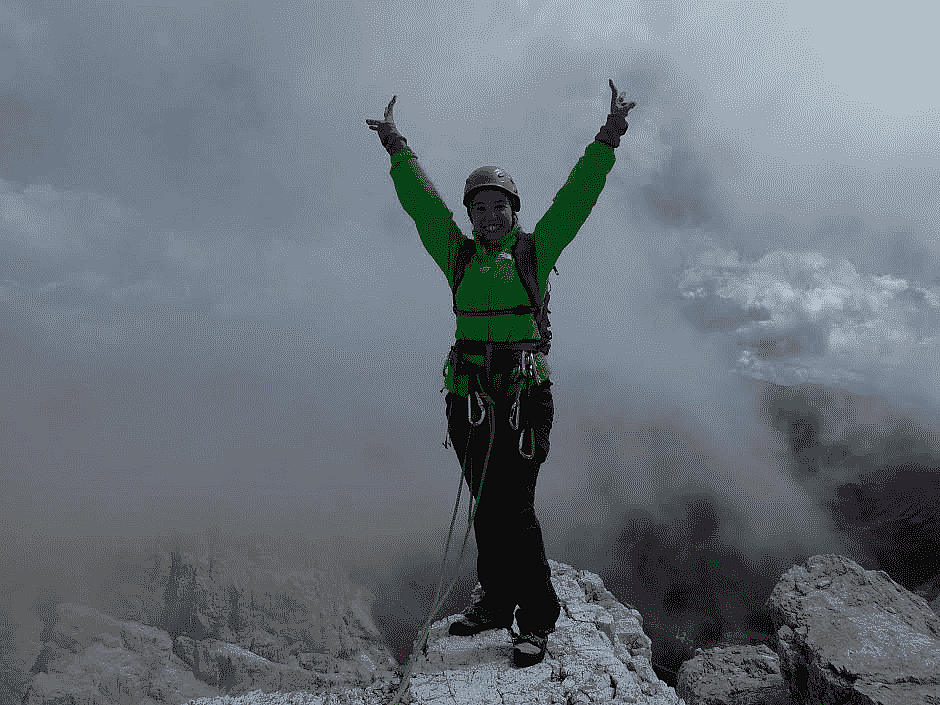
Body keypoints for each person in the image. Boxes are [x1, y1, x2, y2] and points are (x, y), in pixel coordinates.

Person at [366, 80, 636, 668]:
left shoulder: (536, 251)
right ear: (469, 216)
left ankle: (536, 618)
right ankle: (496, 602)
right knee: (487, 505)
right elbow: (422, 204)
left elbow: (578, 196)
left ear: (516, 211)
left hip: (520, 397)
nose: (489, 216)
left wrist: (608, 135)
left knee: (514, 509)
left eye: (499, 206)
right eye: (479, 208)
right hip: (468, 397)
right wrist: (396, 147)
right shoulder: (456, 254)